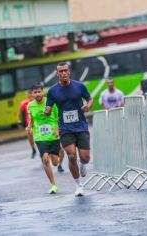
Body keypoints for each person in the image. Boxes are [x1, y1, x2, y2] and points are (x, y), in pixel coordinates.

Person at [45, 62, 93, 197]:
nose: (64, 73)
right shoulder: (52, 91)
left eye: (66, 70)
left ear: (69, 72)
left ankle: (82, 164)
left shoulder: (79, 86)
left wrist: (88, 105)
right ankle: (78, 185)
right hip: (65, 127)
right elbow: (48, 106)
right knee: (71, 156)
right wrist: (47, 110)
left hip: (81, 125)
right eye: (61, 71)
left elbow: (89, 99)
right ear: (57, 74)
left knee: (85, 158)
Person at [27, 83, 64, 194]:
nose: (37, 94)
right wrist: (29, 127)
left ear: (43, 92)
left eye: (39, 91)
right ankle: (53, 185)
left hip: (53, 135)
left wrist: (58, 129)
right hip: (40, 137)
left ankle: (58, 156)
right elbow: (32, 121)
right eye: (35, 92)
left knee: (55, 162)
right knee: (45, 159)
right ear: (32, 94)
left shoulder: (51, 102)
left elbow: (58, 117)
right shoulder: (30, 106)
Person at [17, 90, 36, 159]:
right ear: (27, 95)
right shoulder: (24, 103)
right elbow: (19, 113)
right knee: (29, 133)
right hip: (29, 123)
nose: (30, 96)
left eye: (31, 95)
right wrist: (18, 120)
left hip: (38, 122)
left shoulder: (37, 102)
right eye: (28, 95)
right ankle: (33, 149)